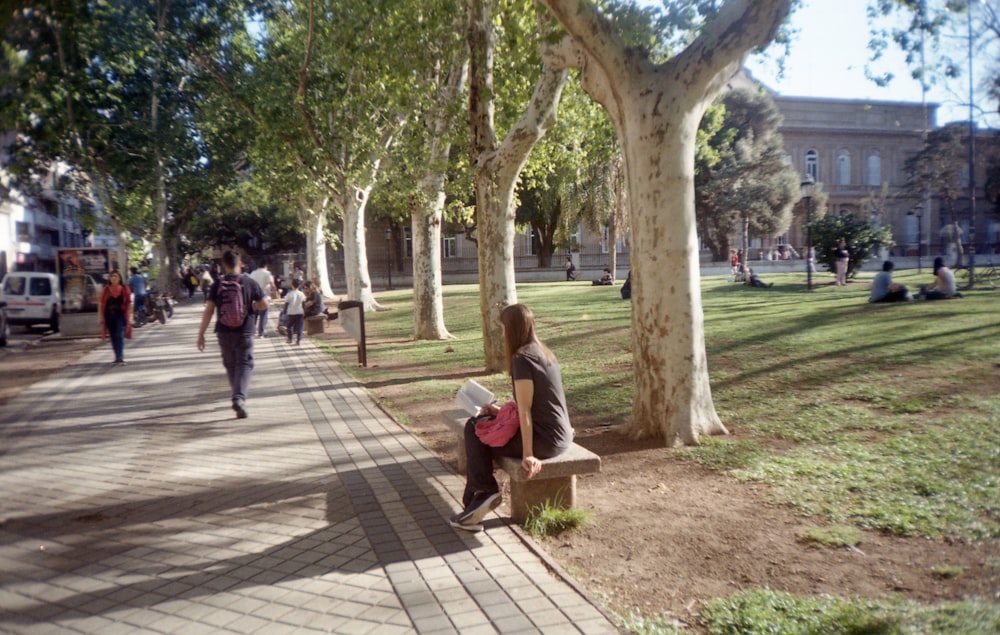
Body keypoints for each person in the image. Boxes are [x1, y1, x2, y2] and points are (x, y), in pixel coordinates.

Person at [450, 304, 573, 532]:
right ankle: (475, 502)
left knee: (475, 430)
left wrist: (528, 454)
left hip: (545, 440)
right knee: (481, 427)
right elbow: (535, 403)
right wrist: (499, 413)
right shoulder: (542, 352)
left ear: (512, 328)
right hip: (559, 434)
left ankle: (484, 493)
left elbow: (525, 410)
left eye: (504, 328)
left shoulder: (521, 358)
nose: (503, 333)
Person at [196, 251, 269, 419]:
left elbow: (208, 311)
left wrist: (201, 334)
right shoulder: (249, 282)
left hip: (223, 331)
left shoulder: (217, 284)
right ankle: (239, 397)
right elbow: (264, 303)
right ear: (240, 263)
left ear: (224, 265)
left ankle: (237, 396)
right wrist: (253, 307)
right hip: (245, 330)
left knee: (230, 364)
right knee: (244, 363)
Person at [98, 270, 132, 365]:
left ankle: (120, 355)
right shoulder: (106, 290)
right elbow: (101, 303)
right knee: (113, 336)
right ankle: (117, 356)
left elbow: (129, 303)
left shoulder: (125, 289)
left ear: (119, 278)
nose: (113, 278)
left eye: (115, 276)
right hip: (109, 316)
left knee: (119, 334)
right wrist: (100, 316)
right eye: (111, 276)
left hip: (120, 315)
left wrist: (131, 316)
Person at [249, 261, 278, 338]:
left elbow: (249, 285)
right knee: (263, 315)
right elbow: (272, 285)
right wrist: (275, 293)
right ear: (266, 266)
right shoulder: (267, 273)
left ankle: (252, 332)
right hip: (265, 297)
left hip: (254, 297)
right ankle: (261, 333)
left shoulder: (253, 273)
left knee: (254, 315)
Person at [283, 278, 306, 345]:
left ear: (292, 285)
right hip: (299, 312)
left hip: (291, 312)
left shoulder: (289, 294)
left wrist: (284, 312)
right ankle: (299, 339)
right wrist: (304, 311)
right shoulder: (301, 294)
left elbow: (286, 304)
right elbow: (303, 303)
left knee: (289, 326)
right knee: (299, 327)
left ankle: (290, 338)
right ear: (299, 286)